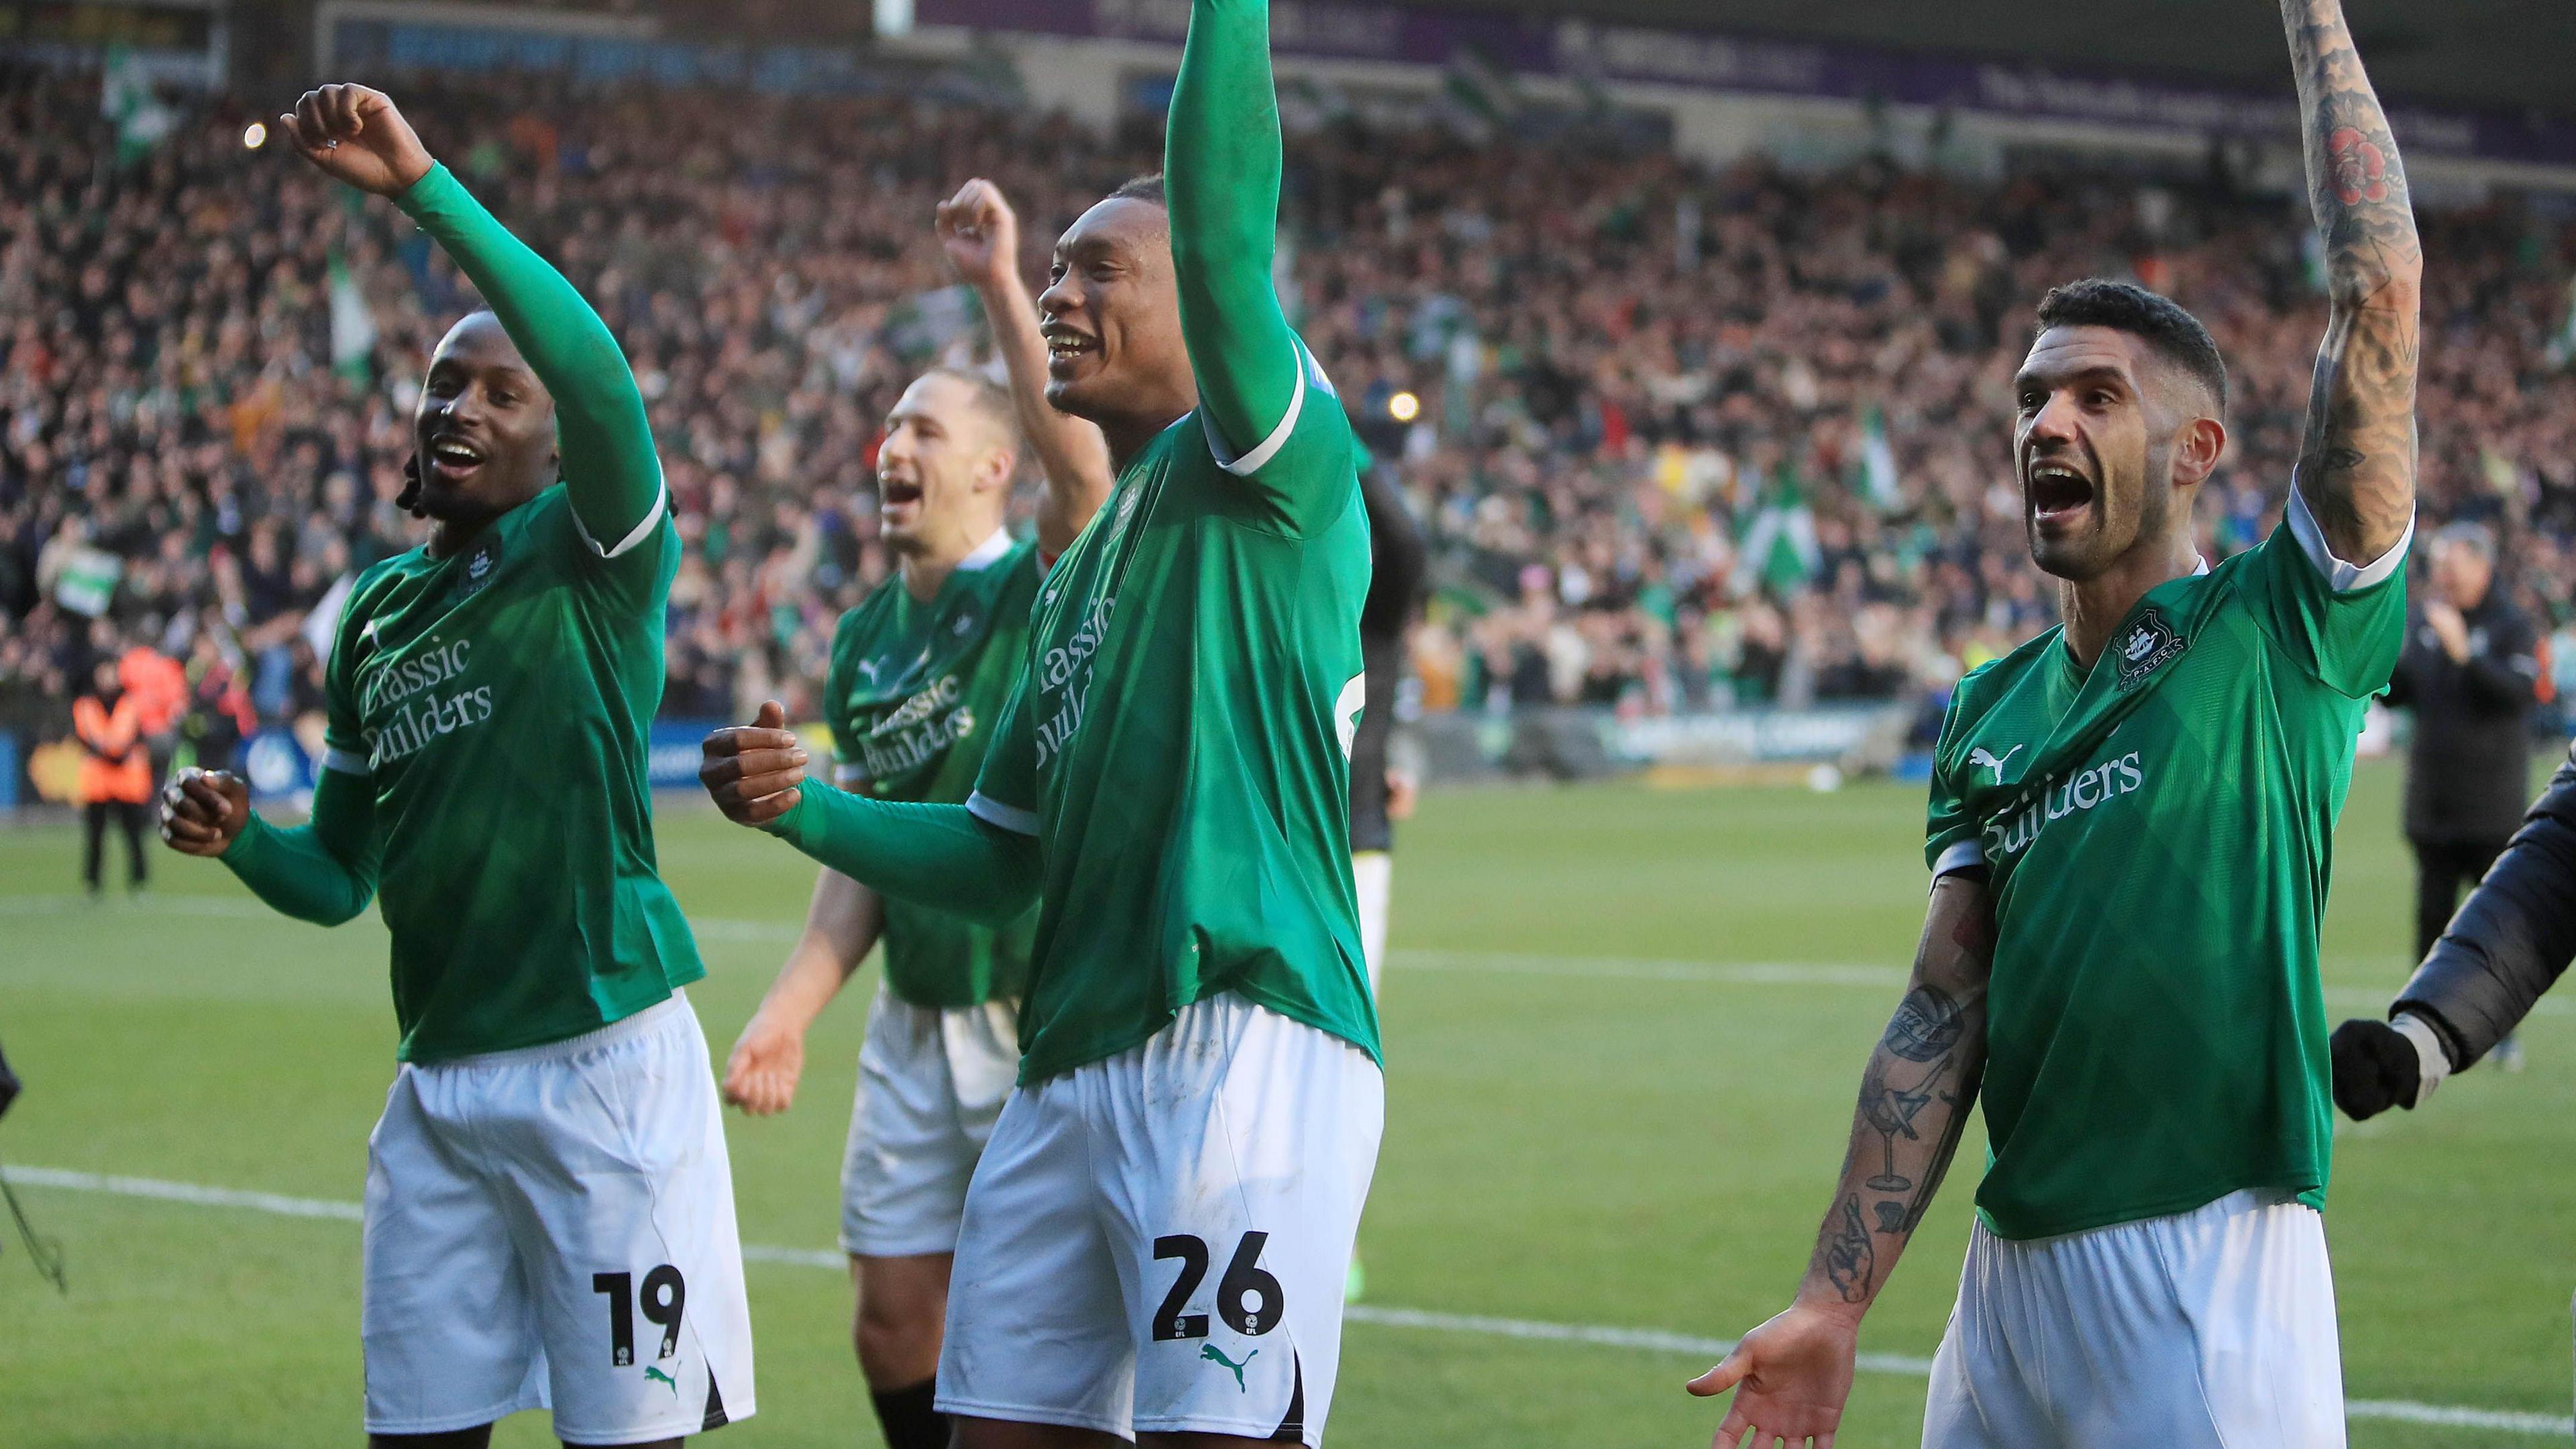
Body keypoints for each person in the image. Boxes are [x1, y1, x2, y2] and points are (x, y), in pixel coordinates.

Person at [1690, 2, 2420, 1444]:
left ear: (2198, 450)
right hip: (2006, 1284)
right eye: (2032, 400)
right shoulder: (1987, 709)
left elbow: (2381, 288)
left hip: (2207, 1263)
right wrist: (1837, 1297)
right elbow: (1942, 1008)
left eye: (2098, 397)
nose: (2047, 427)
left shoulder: (2283, 627)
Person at [698, 2, 1381, 1442]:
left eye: (1098, 271)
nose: (1063, 296)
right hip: (1063, 1070)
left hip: (1238, 1035)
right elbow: (998, 848)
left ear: (1204, 301)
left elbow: (1219, 210)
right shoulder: (1075, 584)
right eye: (1053, 270)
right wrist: (806, 807)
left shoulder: (1266, 466)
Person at [157, 85, 751, 1449]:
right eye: (443, 384)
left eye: (500, 389)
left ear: (554, 441)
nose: (461, 406)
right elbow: (337, 880)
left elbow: (601, 373)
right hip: (437, 1092)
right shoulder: (370, 612)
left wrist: (424, 188)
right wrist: (247, 836)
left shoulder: (592, 550)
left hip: (605, 1067)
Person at [716, 178, 1110, 1449]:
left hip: (1030, 1010)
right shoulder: (865, 642)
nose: (894, 447)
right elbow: (873, 847)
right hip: (912, 1023)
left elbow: (1087, 480)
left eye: (926, 430)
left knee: (1030, 1335)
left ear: (996, 467)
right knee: (892, 1319)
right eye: (889, 426)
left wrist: (1000, 285)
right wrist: (789, 1010)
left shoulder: (1041, 585)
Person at [2383, 519, 2541, 1067]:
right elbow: (2398, 692)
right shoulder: (2428, 620)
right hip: (2432, 806)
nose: (2442, 575)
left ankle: (2504, 1033)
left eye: (2452, 564)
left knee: (2496, 928)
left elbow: (2519, 694)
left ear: (2482, 565)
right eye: (2438, 566)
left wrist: (2464, 653)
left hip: (2491, 808)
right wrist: (2378, 655)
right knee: (2431, 921)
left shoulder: (2511, 625)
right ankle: (2423, 1028)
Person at [74, 656, 150, 894]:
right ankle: (92, 882)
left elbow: (133, 736)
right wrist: (112, 750)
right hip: (99, 782)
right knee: (95, 835)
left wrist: (114, 750)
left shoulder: (131, 702)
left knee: (134, 835)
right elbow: (87, 737)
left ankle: (139, 881)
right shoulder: (86, 704)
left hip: (127, 782)